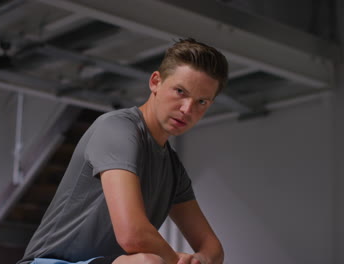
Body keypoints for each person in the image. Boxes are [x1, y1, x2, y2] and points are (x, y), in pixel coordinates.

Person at [17, 38, 228, 264]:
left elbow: (213, 248)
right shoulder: (117, 129)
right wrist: (176, 261)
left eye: (202, 102)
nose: (187, 109)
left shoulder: (173, 169)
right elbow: (132, 234)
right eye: (180, 91)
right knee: (149, 263)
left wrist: (200, 261)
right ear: (156, 82)